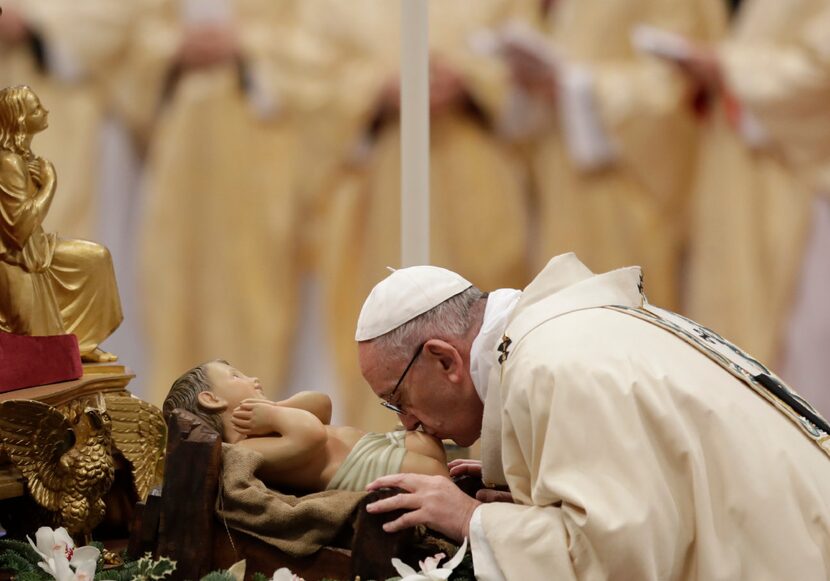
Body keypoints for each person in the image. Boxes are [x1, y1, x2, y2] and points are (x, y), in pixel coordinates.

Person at [356, 255, 830, 579]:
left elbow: (616, 559)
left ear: (444, 360)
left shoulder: (553, 366)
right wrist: (534, 475)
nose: (408, 425)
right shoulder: (562, 334)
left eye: (397, 399)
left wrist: (471, 518)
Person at [163, 359, 448, 493]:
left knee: (429, 445)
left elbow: (321, 404)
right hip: (361, 469)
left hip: (374, 446)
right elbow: (310, 436)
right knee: (434, 473)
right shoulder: (243, 449)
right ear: (211, 399)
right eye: (236, 377)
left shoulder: (268, 418)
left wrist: (276, 409)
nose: (253, 379)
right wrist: (275, 417)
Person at [0, 85, 122, 362]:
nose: (45, 111)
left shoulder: (22, 158)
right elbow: (19, 229)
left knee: (96, 259)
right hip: (17, 259)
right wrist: (50, 185)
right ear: (20, 120)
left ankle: (82, 342)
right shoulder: (8, 163)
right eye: (35, 109)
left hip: (34, 249)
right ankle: (73, 346)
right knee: (35, 351)